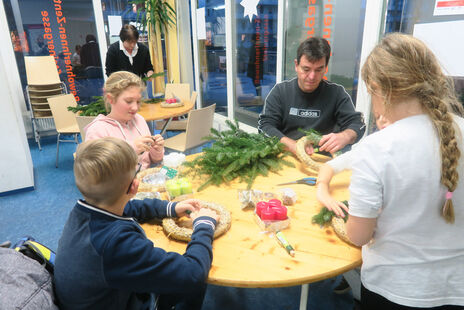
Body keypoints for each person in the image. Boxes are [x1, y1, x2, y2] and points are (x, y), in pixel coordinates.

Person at [345, 33, 464, 309]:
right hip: (457, 288)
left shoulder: (377, 148)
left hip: (394, 289)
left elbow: (359, 235)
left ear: (378, 88)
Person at [54, 137, 220, 310]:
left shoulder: (84, 209)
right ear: (134, 186)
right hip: (122, 302)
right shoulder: (117, 244)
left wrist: (171, 207)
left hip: (98, 296)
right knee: (197, 280)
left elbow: (128, 207)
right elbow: (193, 273)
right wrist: (204, 225)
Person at [258, 37, 365, 155]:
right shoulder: (280, 92)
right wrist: (293, 146)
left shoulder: (337, 93)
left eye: (319, 70)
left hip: (324, 161)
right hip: (288, 156)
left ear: (325, 67)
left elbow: (358, 124)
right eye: (306, 69)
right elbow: (265, 127)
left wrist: (345, 136)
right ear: (296, 65)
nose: (312, 76)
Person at [85, 71, 164, 169]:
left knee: (178, 176)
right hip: (120, 183)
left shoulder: (139, 120)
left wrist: (157, 150)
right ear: (111, 99)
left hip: (145, 179)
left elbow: (152, 160)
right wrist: (130, 151)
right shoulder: (98, 130)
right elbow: (97, 172)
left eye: (138, 101)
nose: (135, 107)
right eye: (129, 101)